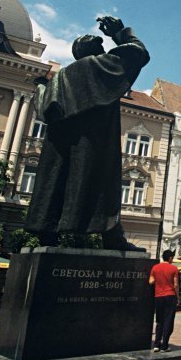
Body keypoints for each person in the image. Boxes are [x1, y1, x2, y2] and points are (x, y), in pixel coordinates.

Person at [26, 16, 149, 251]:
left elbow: (42, 105)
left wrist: (40, 85)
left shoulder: (59, 78)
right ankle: (112, 238)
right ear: (95, 52)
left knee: (57, 181)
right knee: (104, 184)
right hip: (94, 143)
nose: (106, 51)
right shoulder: (98, 66)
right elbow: (137, 53)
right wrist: (120, 33)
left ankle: (47, 235)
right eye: (102, 47)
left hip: (60, 148)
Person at [149, 249, 179, 352]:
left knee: (159, 320)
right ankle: (165, 345)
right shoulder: (174, 269)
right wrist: (177, 296)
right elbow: (175, 285)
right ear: (170, 258)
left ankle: (156, 345)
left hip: (158, 296)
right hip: (170, 296)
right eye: (172, 258)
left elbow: (151, 281)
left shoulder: (155, 267)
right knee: (168, 321)